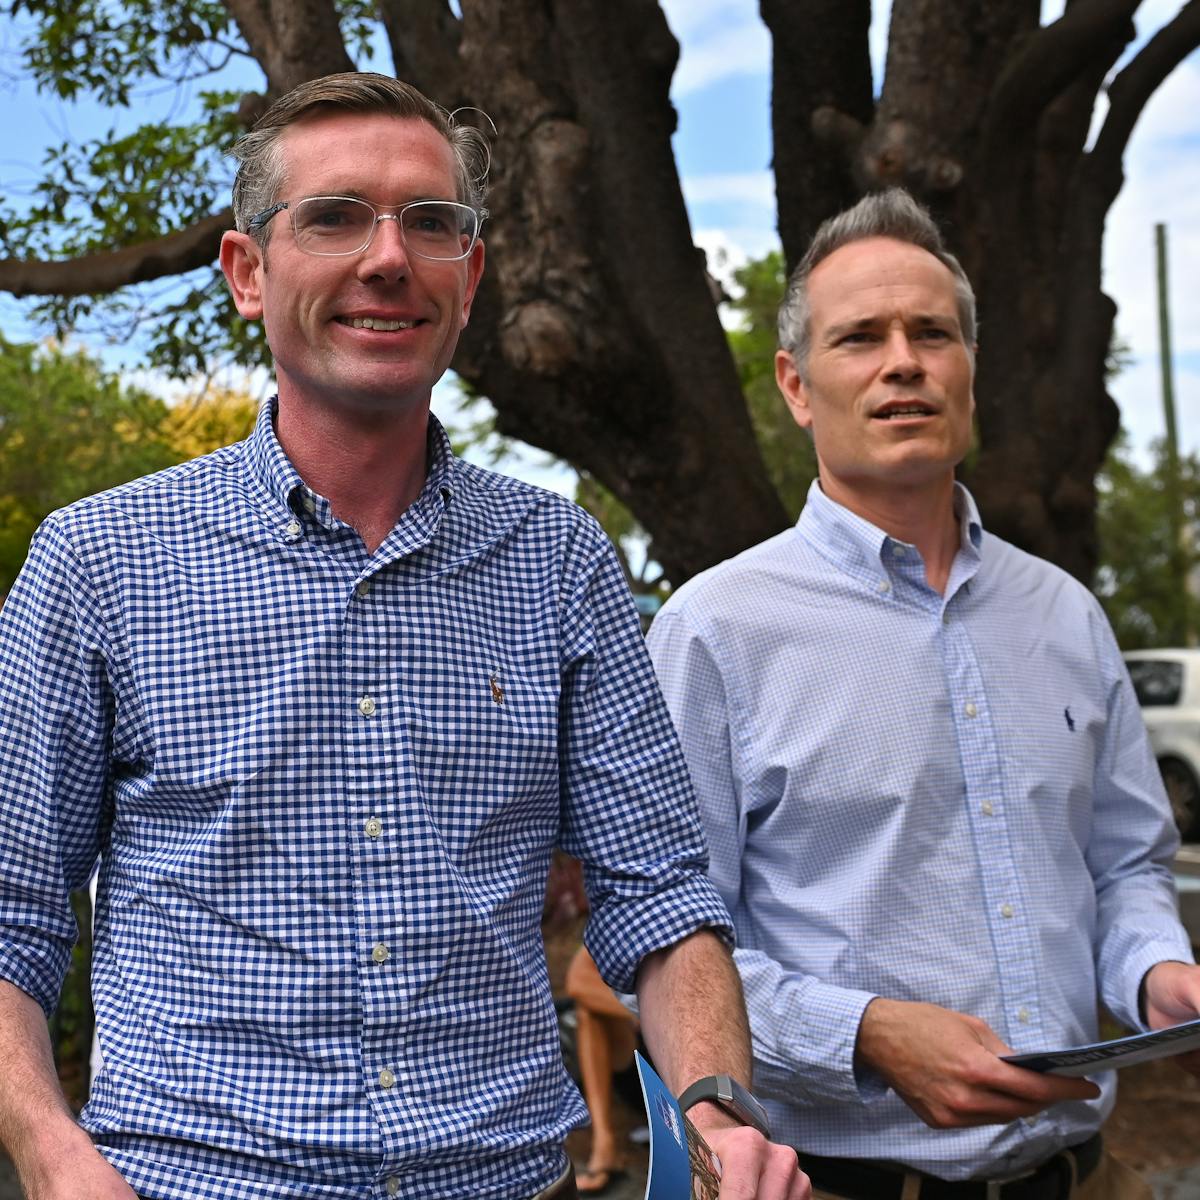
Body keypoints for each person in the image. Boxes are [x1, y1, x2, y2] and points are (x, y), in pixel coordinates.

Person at [0, 73, 805, 1200]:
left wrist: (719, 1107)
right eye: (334, 217)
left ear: (467, 280)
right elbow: (10, 917)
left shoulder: (561, 563)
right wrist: (50, 1154)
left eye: (430, 222)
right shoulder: (99, 564)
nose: (389, 258)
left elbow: (660, 899)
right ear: (247, 272)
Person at [646, 187, 1200, 1200]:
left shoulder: (1066, 615)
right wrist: (863, 1033)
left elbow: (1125, 865)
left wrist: (1158, 974)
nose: (903, 361)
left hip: (1087, 1178)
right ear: (796, 385)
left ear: (969, 370)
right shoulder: (713, 633)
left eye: (932, 333)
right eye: (860, 337)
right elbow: (668, 940)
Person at [564, 944, 641, 1194]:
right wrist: (648, 1014)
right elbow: (578, 981)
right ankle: (604, 1142)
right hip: (644, 1042)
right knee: (588, 1011)